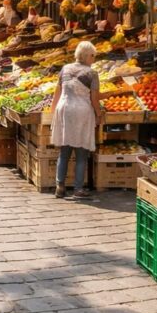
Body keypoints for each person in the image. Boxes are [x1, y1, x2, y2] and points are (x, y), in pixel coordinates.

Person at [49, 41, 102, 199]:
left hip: (64, 109)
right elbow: (94, 98)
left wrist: (52, 111)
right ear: (87, 55)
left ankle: (60, 186)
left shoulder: (65, 68)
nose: (94, 58)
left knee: (64, 151)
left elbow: (57, 91)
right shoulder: (92, 73)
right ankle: (78, 189)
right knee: (81, 152)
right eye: (93, 55)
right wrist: (98, 113)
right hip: (81, 111)